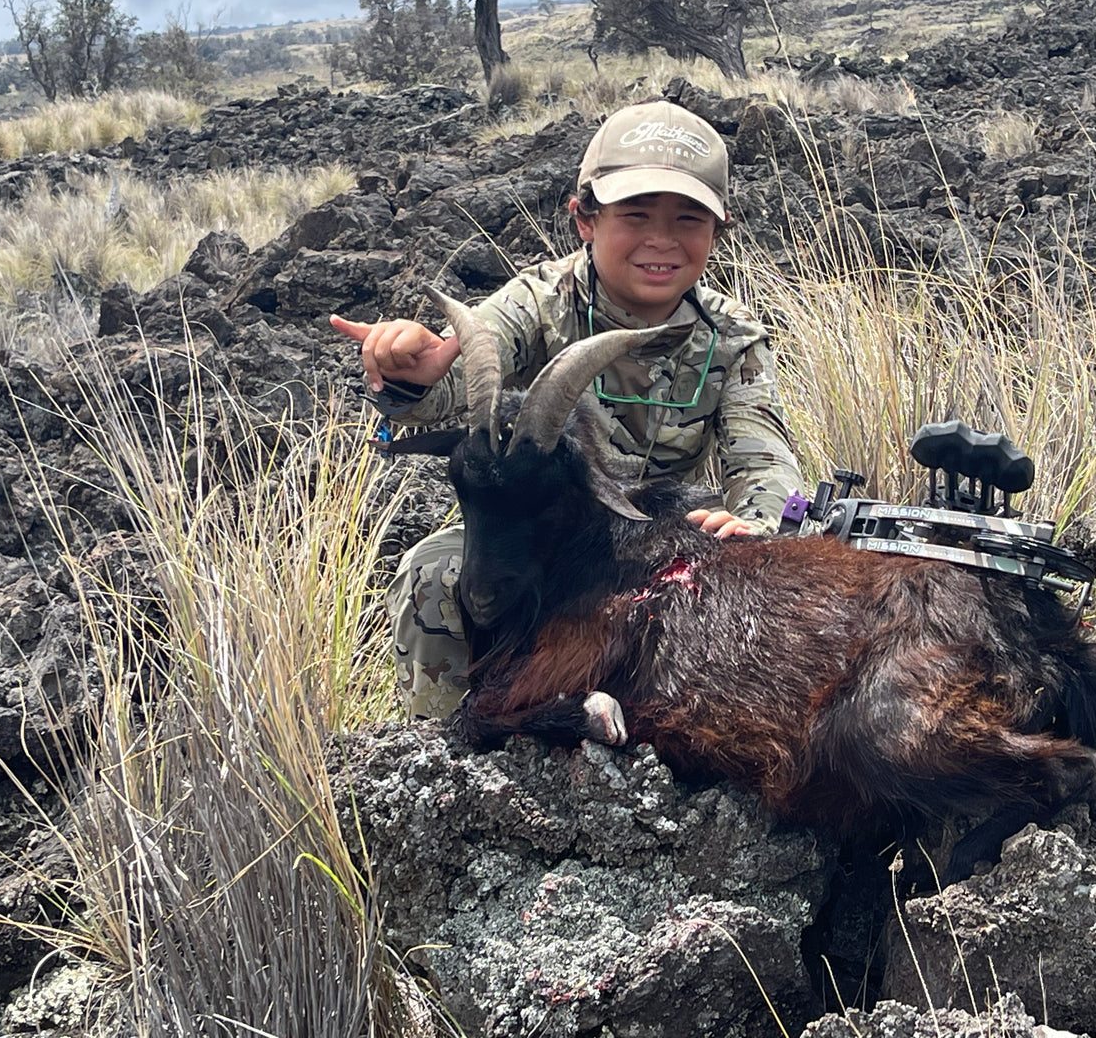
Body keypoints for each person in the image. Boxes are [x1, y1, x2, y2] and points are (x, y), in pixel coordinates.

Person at [331, 100, 804, 718]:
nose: (661, 239)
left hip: (656, 538)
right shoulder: (536, 301)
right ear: (584, 218)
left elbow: (765, 458)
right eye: (635, 215)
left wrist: (761, 523)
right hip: (530, 537)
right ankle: (438, 744)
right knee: (433, 577)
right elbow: (456, 386)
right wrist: (412, 375)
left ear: (718, 230)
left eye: (689, 219)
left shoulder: (734, 336)